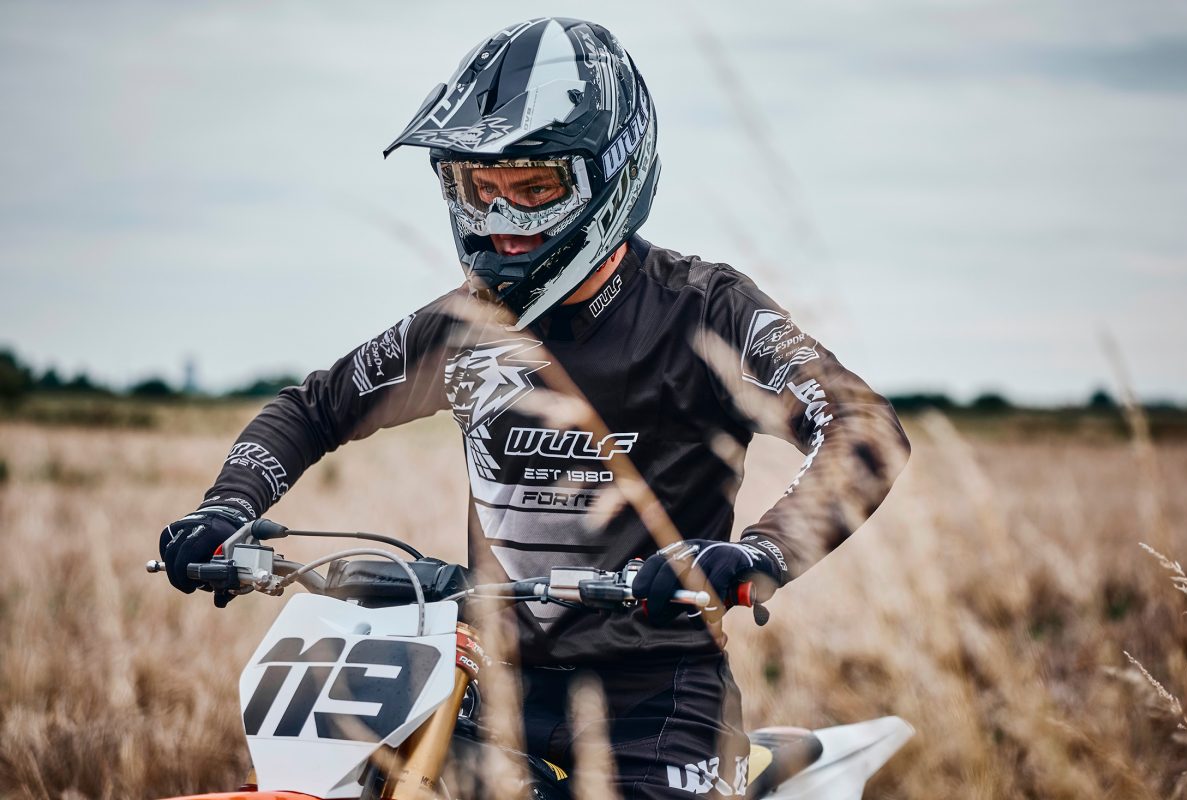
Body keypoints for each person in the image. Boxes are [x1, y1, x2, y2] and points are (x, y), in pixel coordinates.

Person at [159, 17, 909, 798]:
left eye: (534, 187)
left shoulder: (704, 312)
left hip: (656, 709)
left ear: (610, 173)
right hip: (489, 689)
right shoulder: (467, 325)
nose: (502, 219)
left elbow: (864, 431)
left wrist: (758, 554)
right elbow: (314, 408)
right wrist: (225, 508)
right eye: (479, 187)